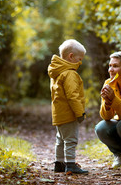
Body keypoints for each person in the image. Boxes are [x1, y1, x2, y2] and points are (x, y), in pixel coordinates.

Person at [47, 39, 88, 174]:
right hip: (69, 113)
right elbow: (73, 96)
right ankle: (70, 164)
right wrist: (80, 113)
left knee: (60, 139)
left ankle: (59, 163)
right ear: (71, 57)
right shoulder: (70, 73)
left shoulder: (57, 72)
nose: (80, 62)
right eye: (79, 59)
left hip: (59, 113)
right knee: (71, 140)